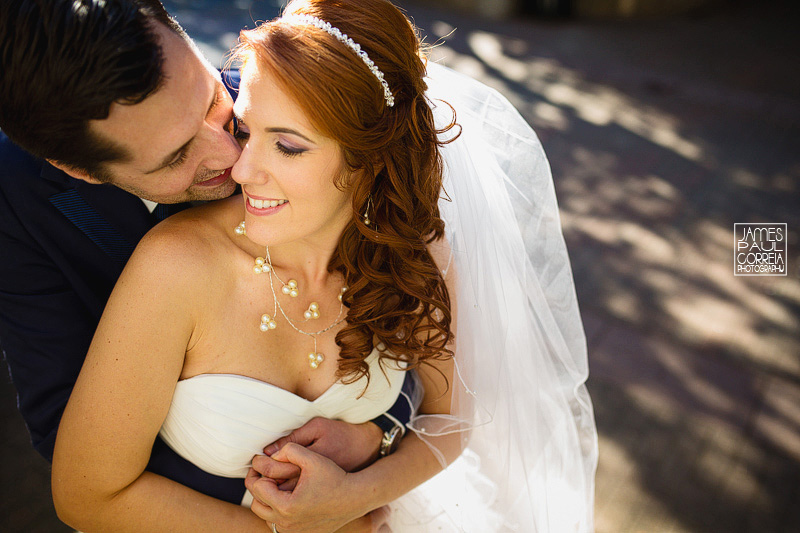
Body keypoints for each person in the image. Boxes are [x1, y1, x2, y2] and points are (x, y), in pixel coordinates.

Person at [51, 0, 598, 531]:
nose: (241, 169)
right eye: (244, 129)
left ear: (368, 156)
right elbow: (86, 497)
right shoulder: (176, 266)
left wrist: (359, 492)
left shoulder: (414, 252)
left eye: (287, 146)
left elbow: (449, 423)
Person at [0, 0, 412, 521]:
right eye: (176, 157)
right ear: (78, 170)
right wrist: (294, 516)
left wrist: (378, 433)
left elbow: (415, 286)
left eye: (214, 104)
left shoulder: (279, 81)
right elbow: (72, 440)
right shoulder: (19, 197)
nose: (232, 158)